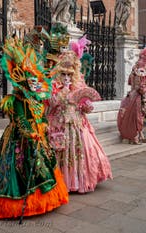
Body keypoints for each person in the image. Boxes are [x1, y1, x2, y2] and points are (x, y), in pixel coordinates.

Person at [0, 38, 68, 219]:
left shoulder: (36, 99)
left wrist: (43, 126)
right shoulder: (17, 101)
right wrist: (30, 133)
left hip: (38, 138)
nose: (35, 82)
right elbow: (20, 120)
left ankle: (45, 200)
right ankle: (19, 203)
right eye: (31, 80)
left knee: (43, 166)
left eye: (35, 79)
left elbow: (41, 116)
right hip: (20, 139)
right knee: (22, 168)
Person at [47, 50, 112, 193]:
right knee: (61, 151)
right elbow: (51, 103)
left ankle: (79, 180)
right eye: (63, 74)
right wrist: (63, 90)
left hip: (77, 124)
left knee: (80, 152)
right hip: (60, 124)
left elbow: (82, 103)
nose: (66, 77)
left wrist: (87, 106)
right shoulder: (53, 86)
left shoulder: (79, 85)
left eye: (69, 74)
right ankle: (63, 181)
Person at [117, 46, 146, 144]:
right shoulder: (141, 72)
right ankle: (135, 137)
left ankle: (139, 135)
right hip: (138, 97)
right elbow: (141, 88)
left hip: (132, 94)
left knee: (136, 116)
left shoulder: (135, 71)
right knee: (138, 117)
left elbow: (130, 82)